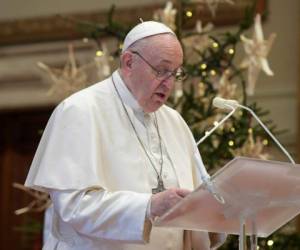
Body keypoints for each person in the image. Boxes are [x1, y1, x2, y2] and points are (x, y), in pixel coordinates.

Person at [25, 21, 226, 250]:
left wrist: (222, 212)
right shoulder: (80, 110)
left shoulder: (174, 122)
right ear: (129, 62)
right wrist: (149, 206)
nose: (169, 83)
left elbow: (197, 203)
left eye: (175, 73)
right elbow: (74, 207)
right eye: (161, 70)